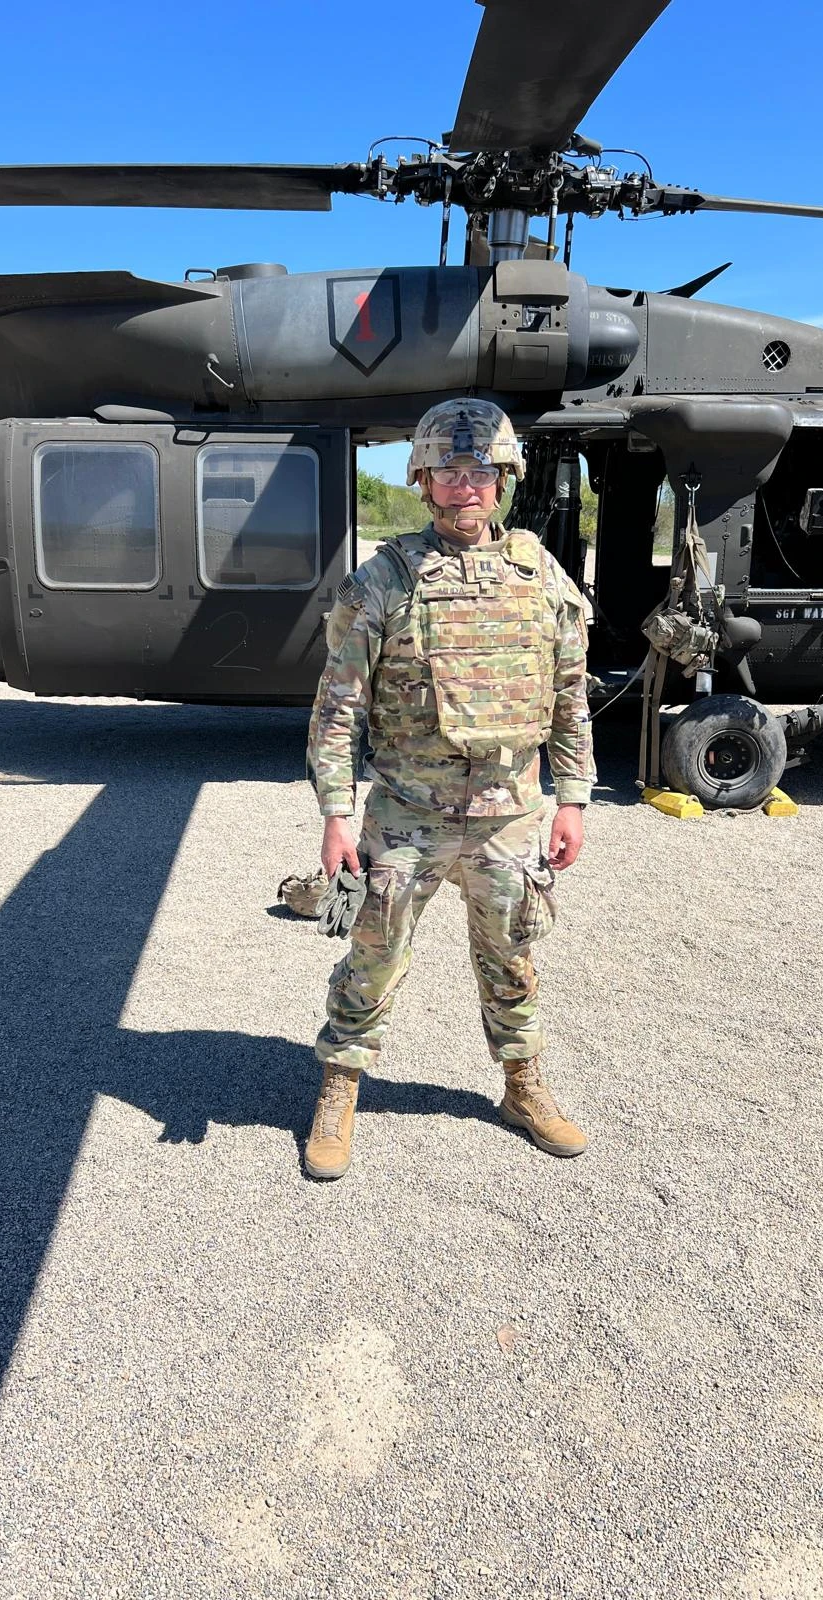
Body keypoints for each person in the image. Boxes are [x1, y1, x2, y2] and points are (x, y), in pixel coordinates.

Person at [303, 399, 595, 1179]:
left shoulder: (540, 572)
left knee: (513, 959)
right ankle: (340, 1086)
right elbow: (338, 707)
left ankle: (523, 1086)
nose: (466, 489)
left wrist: (572, 797)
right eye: (449, 474)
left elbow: (569, 692)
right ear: (424, 481)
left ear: (504, 480)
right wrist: (337, 814)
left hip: (510, 813)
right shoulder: (387, 579)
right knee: (372, 952)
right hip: (407, 813)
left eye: (481, 473)